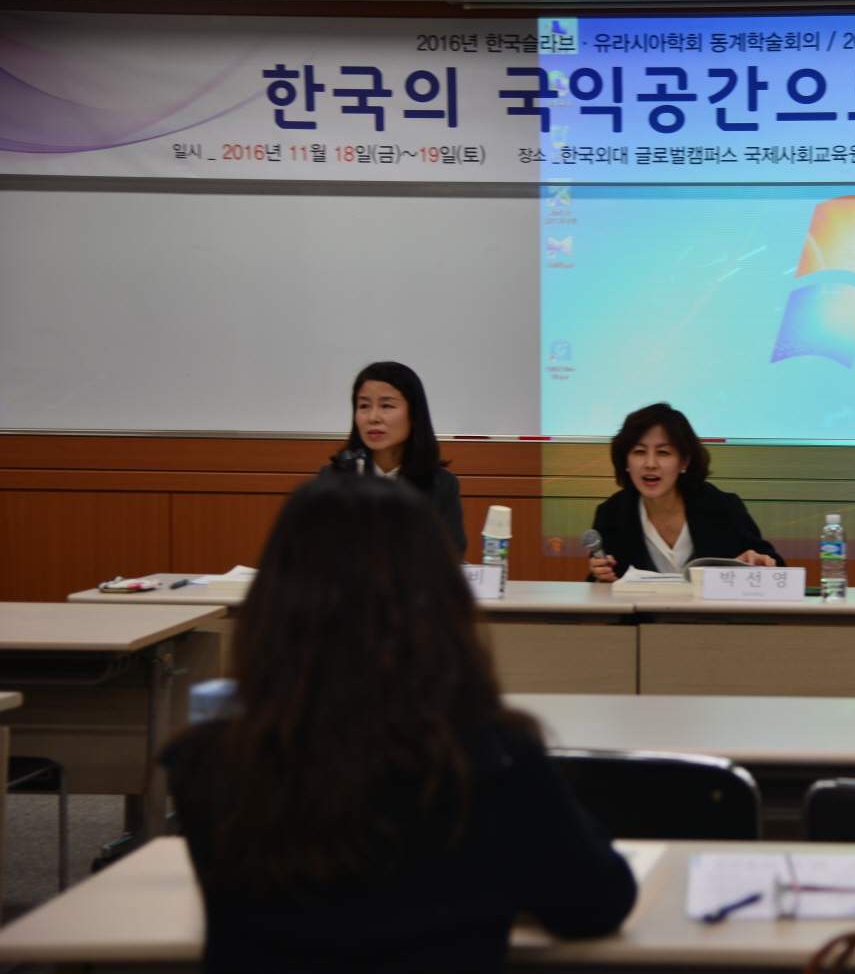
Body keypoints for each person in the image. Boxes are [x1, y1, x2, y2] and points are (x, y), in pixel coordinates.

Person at [162, 476, 636, 974]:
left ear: (274, 599)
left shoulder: (204, 762)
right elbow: (596, 904)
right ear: (438, 599)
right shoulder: (494, 760)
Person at [587, 403, 783, 581]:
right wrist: (600, 576)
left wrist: (758, 563)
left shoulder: (723, 508)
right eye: (639, 452)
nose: (650, 464)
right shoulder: (612, 514)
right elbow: (602, 586)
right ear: (626, 460)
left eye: (663, 452)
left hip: (712, 610)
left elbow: (778, 570)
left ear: (684, 461)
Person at [321, 361, 467, 554]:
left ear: (413, 415)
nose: (373, 417)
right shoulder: (334, 478)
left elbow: (451, 556)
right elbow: (315, 552)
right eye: (364, 405)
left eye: (386, 405)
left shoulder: (441, 485)